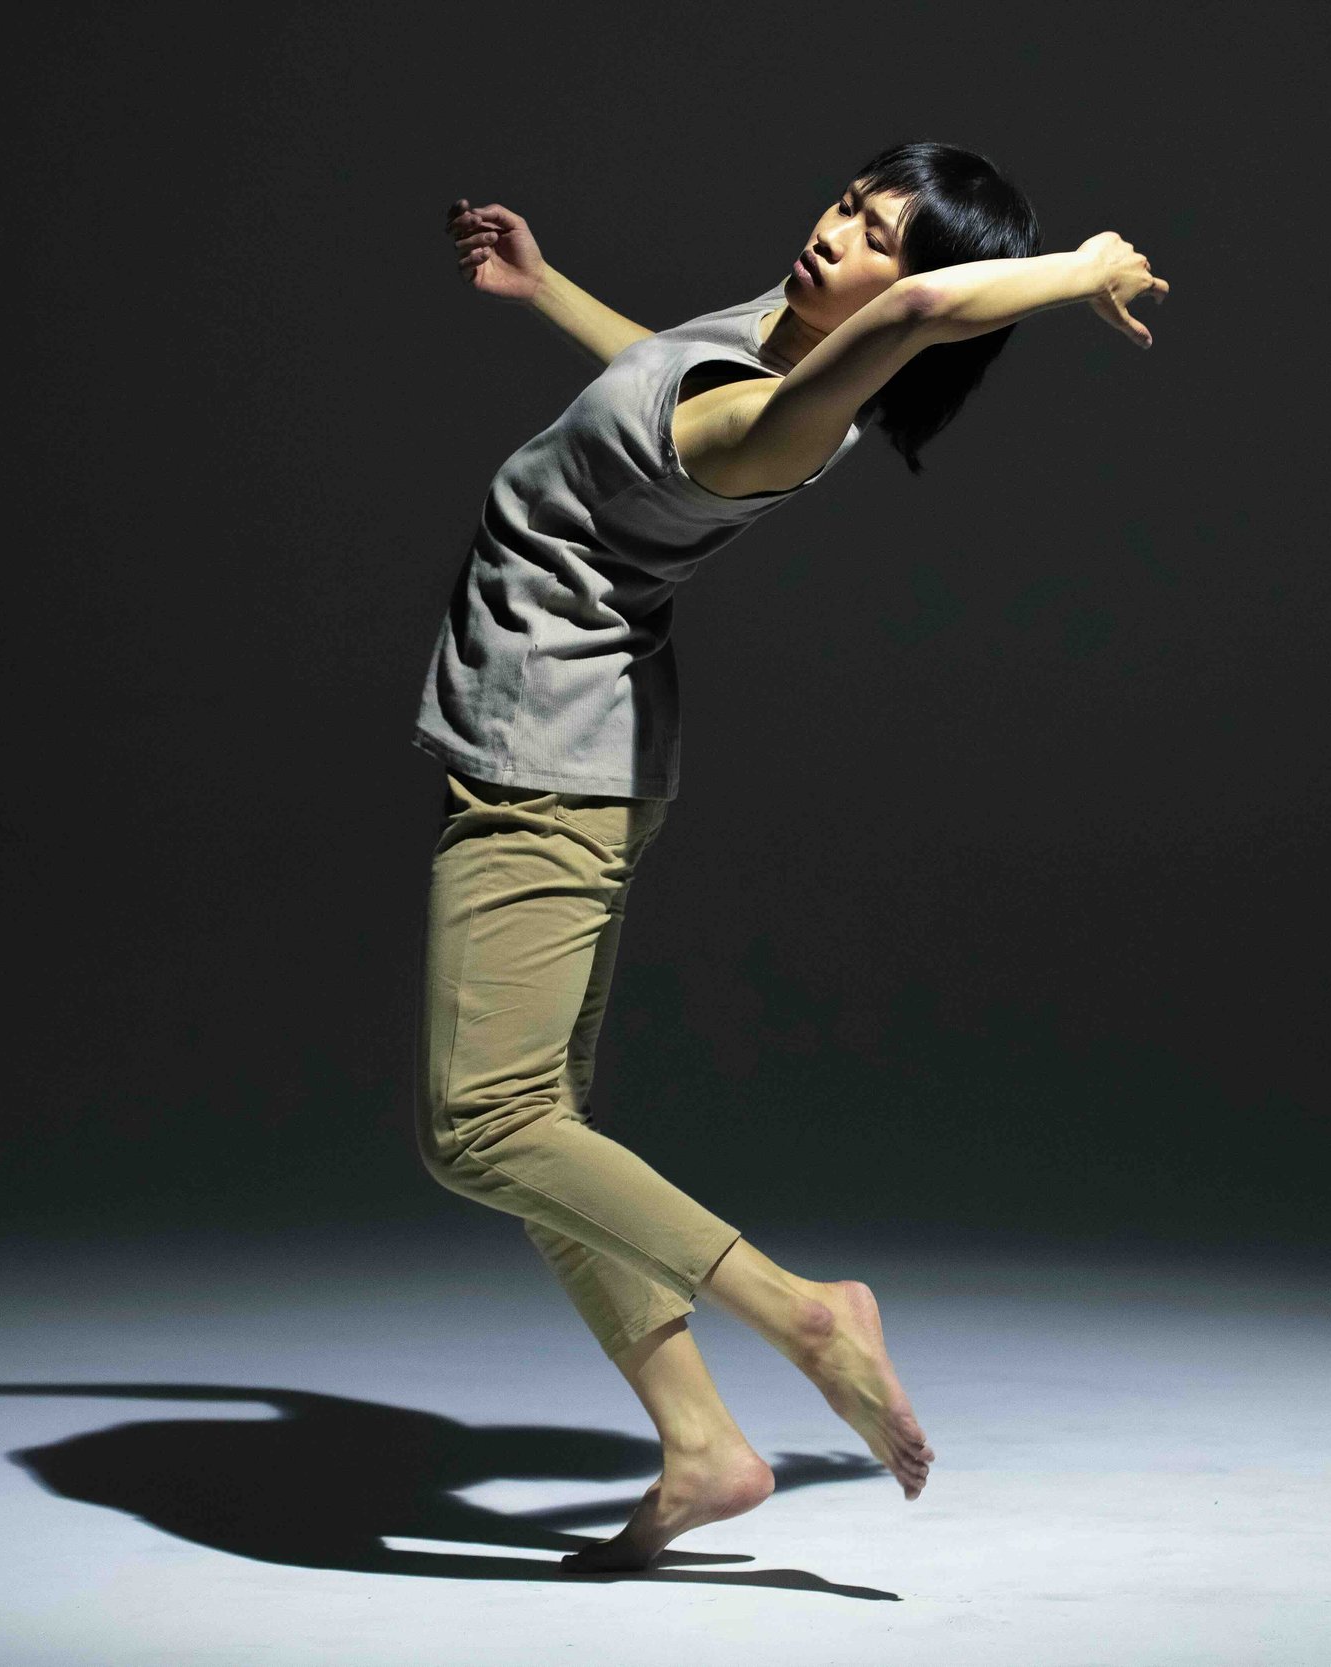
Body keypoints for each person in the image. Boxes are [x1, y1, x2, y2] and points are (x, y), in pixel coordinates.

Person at [413, 140, 1166, 1572]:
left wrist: (1085, 272)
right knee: (545, 1132)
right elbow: (660, 385)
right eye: (846, 204)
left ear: (926, 291)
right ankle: (703, 1448)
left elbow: (907, 325)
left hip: (543, 766)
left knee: (488, 1130)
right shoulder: (759, 356)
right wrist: (545, 286)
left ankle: (805, 1314)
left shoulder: (797, 418)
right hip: (571, 754)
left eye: (884, 241)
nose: (837, 240)